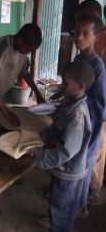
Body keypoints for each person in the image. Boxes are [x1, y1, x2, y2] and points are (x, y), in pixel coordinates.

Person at [31, 61, 95, 232]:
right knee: (57, 201)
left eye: (65, 83)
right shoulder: (70, 101)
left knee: (62, 210)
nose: (61, 86)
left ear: (81, 86)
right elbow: (56, 127)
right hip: (62, 169)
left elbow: (67, 150)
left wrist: (40, 156)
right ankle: (55, 222)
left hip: (69, 171)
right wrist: (40, 137)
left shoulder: (77, 117)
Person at [0, 23, 45, 131]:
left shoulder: (22, 52)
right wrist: (6, 112)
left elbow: (24, 72)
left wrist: (38, 94)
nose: (27, 52)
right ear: (20, 39)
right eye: (27, 48)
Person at [74, 14, 106, 216]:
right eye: (77, 32)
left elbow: (101, 106)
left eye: (86, 33)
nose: (79, 37)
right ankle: (74, 200)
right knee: (76, 165)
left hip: (89, 128)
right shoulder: (78, 58)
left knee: (85, 165)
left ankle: (80, 207)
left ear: (96, 37)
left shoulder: (97, 67)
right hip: (77, 124)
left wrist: (79, 101)